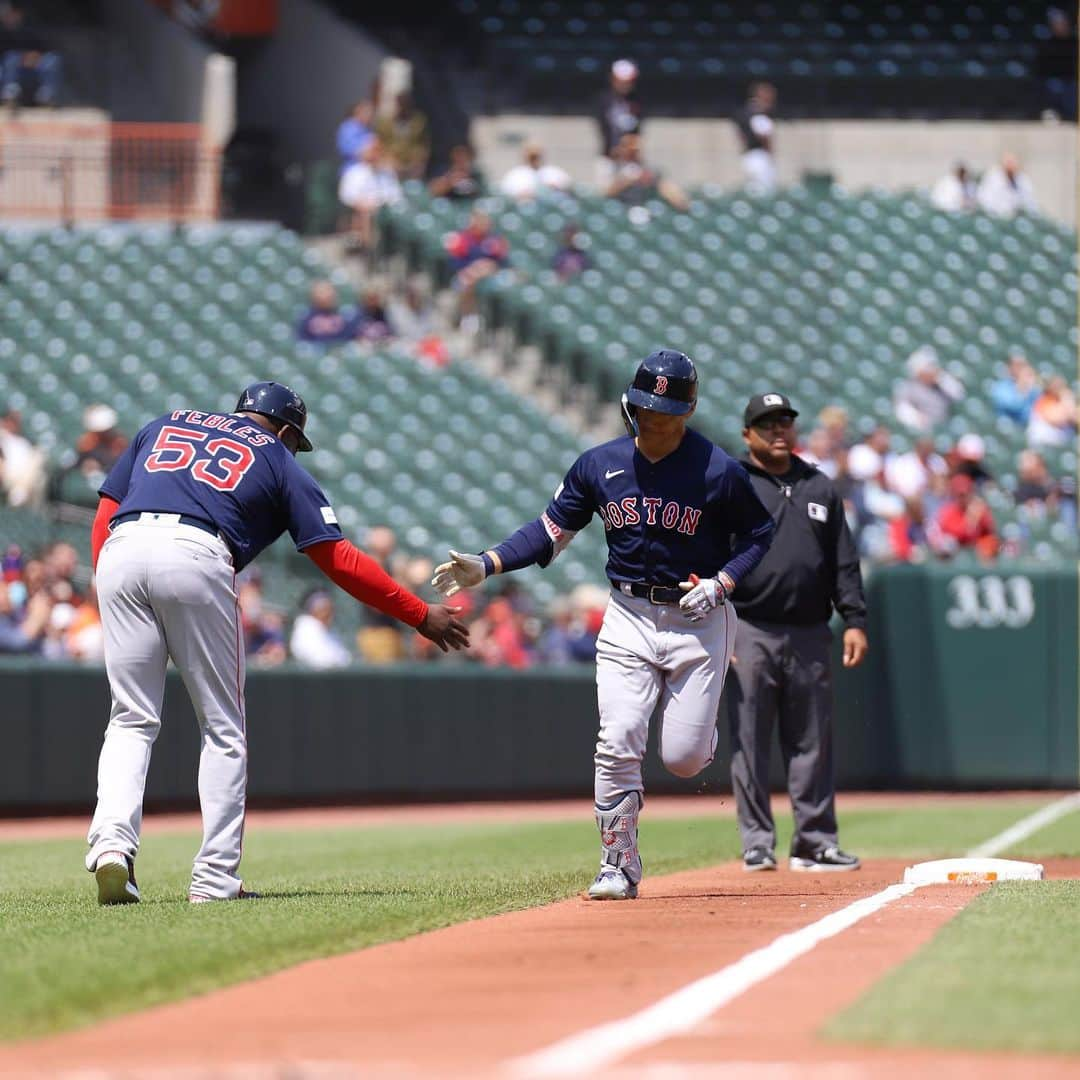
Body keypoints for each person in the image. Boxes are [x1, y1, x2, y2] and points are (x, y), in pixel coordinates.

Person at [84, 381, 468, 905]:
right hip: (196, 550)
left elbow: (107, 507)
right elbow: (337, 557)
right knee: (222, 727)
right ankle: (215, 878)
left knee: (130, 718)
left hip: (122, 548)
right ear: (286, 430)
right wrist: (420, 613)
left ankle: (111, 849)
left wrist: (105, 573)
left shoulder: (165, 423)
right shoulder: (280, 460)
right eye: (296, 439)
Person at [432, 350, 775, 900]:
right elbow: (549, 531)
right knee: (616, 741)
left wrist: (724, 582)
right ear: (630, 405)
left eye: (667, 409)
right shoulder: (599, 465)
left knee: (684, 761)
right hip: (629, 616)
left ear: (688, 410)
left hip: (699, 619)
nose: (656, 418)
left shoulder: (718, 469)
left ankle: (700, 726)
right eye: (647, 407)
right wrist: (488, 562)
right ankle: (618, 862)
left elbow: (760, 535)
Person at [726, 392, 867, 873]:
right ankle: (757, 841)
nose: (779, 430)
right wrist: (716, 627)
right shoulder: (733, 484)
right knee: (750, 740)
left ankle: (813, 841)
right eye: (767, 424)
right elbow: (709, 558)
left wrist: (854, 619)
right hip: (749, 625)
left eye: (785, 421)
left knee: (812, 741)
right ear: (748, 435)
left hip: (810, 629)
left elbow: (843, 562)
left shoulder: (819, 486)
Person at [444, 208, 510, 334]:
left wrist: (489, 267)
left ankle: (497, 322)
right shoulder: (463, 238)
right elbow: (455, 264)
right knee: (467, 280)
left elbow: (505, 263)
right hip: (466, 276)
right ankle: (469, 316)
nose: (483, 223)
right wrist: (476, 268)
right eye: (480, 220)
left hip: (492, 277)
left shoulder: (495, 239)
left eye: (485, 220)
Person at [338, 137, 403, 256]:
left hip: (387, 210)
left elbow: (396, 196)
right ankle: (370, 253)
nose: (374, 155)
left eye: (378, 151)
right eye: (372, 151)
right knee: (367, 215)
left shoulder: (387, 172)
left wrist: (384, 205)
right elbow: (347, 196)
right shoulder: (354, 172)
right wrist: (366, 205)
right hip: (364, 211)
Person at [599, 132, 690, 213]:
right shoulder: (612, 167)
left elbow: (665, 186)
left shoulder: (648, 169)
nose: (633, 151)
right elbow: (606, 192)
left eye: (635, 149)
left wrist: (678, 199)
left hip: (645, 207)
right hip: (622, 209)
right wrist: (630, 178)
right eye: (628, 147)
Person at [893, 345, 963, 433]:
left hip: (946, 426)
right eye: (927, 369)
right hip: (922, 430)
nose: (931, 371)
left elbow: (959, 394)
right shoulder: (909, 387)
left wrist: (941, 378)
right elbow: (901, 410)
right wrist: (917, 418)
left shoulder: (941, 383)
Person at [933, 473, 999, 561]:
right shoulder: (948, 511)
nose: (963, 498)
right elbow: (957, 535)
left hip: (977, 557)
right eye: (960, 495)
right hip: (954, 558)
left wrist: (979, 515)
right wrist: (971, 519)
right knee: (948, 543)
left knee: (989, 543)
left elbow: (990, 528)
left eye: (966, 493)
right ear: (954, 494)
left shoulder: (979, 508)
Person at [374, 90, 431, 181]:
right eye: (401, 104)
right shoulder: (385, 122)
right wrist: (389, 160)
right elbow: (380, 143)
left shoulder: (418, 121)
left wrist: (419, 162)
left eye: (406, 104)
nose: (403, 108)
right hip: (391, 166)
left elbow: (424, 144)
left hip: (413, 167)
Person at [289, 588, 352, 668]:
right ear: (313, 610)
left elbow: (345, 659)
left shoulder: (330, 631)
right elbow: (320, 661)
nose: (330, 614)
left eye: (331, 610)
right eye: (325, 609)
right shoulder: (305, 628)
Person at [735, 82, 778, 195]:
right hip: (759, 156)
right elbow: (764, 136)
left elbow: (741, 135)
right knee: (764, 191)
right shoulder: (757, 113)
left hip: (749, 156)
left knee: (754, 190)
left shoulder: (744, 111)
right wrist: (770, 154)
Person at [597, 57, 643, 159]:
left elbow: (637, 130)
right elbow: (604, 128)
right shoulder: (604, 100)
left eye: (629, 82)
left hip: (631, 157)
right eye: (622, 81)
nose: (625, 85)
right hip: (608, 156)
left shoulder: (637, 101)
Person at [0, 407, 46, 507]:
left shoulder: (22, 441)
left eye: (16, 421)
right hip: (8, 477)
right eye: (11, 420)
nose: (14, 424)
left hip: (25, 481)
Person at [499, 140, 572, 203]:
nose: (535, 159)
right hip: (526, 207)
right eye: (532, 157)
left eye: (537, 156)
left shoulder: (553, 171)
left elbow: (567, 186)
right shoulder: (515, 174)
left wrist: (553, 187)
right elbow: (506, 192)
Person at [976, 153, 1037, 218]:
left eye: (1013, 163)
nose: (1011, 166)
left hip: (1018, 218)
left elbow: (1030, 202)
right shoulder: (993, 179)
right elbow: (986, 201)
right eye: (1009, 163)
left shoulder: (1022, 179)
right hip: (997, 218)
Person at [295, 280, 355, 345]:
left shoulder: (345, 316)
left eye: (329, 291)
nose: (328, 295)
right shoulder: (305, 318)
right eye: (322, 292)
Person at [990, 352, 1041, 426]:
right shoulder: (1001, 387)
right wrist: (1022, 387)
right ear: (1009, 367)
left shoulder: (1033, 388)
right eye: (1017, 365)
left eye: (1023, 365)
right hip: (1006, 427)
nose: (1021, 369)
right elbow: (1013, 407)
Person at [1027, 374, 1078, 448]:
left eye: (1061, 386)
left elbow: (1075, 418)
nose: (1059, 388)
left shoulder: (1062, 399)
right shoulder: (1044, 399)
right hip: (1043, 439)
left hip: (1060, 438)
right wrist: (1067, 401)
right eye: (1056, 385)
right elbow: (1056, 419)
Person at [335, 99, 375, 176]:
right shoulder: (348, 128)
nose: (371, 115)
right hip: (352, 173)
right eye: (367, 111)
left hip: (368, 173)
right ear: (358, 111)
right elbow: (362, 153)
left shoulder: (368, 129)